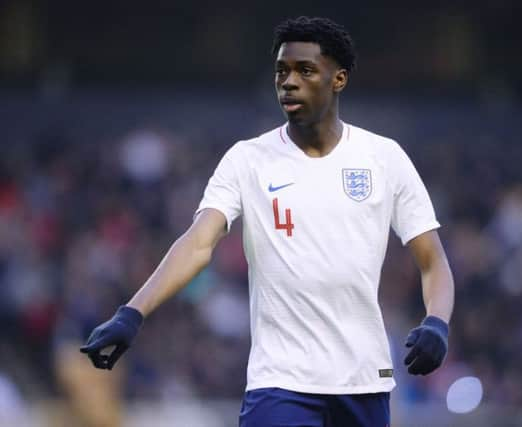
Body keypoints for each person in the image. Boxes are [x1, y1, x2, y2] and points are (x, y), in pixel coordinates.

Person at [81, 16, 454, 426]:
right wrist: (132, 313)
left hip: (364, 382)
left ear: (339, 79)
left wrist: (436, 322)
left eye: (305, 70)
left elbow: (432, 260)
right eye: (282, 71)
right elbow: (198, 242)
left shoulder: (384, 157)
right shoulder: (248, 159)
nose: (288, 82)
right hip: (280, 384)